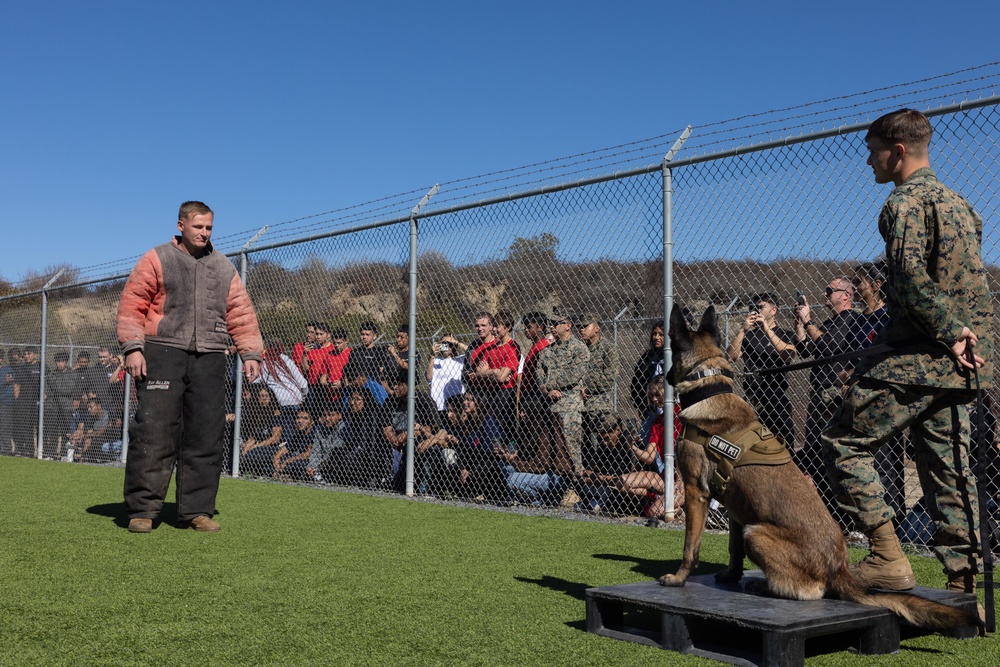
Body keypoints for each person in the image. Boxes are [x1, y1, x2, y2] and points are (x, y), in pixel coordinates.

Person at [822, 109, 993, 603]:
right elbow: (969, 286)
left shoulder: (904, 202)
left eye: (873, 150)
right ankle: (965, 589)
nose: (868, 160)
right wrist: (967, 339)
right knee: (950, 468)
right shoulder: (962, 205)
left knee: (843, 440)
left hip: (922, 357)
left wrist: (948, 329)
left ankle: (887, 558)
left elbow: (911, 279)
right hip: (965, 363)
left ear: (897, 151)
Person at [117, 200, 263, 533]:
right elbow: (132, 305)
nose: (204, 233)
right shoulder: (157, 258)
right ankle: (143, 509)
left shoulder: (224, 266)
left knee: (205, 435)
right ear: (181, 225)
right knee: (154, 431)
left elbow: (240, 312)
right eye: (198, 227)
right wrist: (133, 348)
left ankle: (196, 511)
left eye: (209, 227)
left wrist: (251, 353)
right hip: (161, 352)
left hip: (211, 355)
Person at [794, 276, 857, 521]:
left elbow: (829, 346)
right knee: (813, 450)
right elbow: (807, 350)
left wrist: (809, 321)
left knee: (832, 451)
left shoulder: (850, 320)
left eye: (829, 290)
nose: (824, 294)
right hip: (818, 392)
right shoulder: (831, 322)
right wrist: (801, 323)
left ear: (845, 295)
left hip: (834, 394)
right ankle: (822, 509)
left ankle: (841, 512)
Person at [850, 261, 907, 523]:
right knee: (866, 462)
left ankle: (896, 520)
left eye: (859, 282)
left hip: (888, 400)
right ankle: (871, 520)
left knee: (888, 463)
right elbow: (851, 358)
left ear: (876, 285)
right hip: (860, 398)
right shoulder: (856, 323)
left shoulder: (890, 317)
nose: (855, 287)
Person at [727, 293, 797, 448]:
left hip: (776, 394)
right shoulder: (749, 336)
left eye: (761, 307)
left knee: (783, 442)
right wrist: (743, 330)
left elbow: (789, 355)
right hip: (752, 395)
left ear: (773, 310)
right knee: (750, 444)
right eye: (754, 307)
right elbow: (730, 357)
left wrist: (766, 329)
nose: (756, 310)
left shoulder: (784, 334)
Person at [536, 314, 590, 476]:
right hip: (550, 406)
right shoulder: (548, 352)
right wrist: (546, 389)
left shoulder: (579, 349)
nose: (551, 326)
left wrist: (550, 384)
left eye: (556, 323)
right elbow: (539, 372)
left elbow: (573, 374)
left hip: (569, 407)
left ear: (568, 326)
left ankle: (576, 483)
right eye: (550, 323)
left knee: (571, 447)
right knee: (551, 449)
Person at [576, 313, 619, 455]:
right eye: (579, 327)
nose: (581, 330)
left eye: (585, 326)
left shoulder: (607, 348)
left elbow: (610, 376)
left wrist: (588, 388)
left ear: (596, 329)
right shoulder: (580, 350)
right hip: (580, 403)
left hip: (599, 404)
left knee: (598, 447)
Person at [257, 339, 308, 424]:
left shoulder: (264, 361)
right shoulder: (286, 360)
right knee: (291, 427)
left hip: (277, 400)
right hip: (294, 399)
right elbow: (303, 384)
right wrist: (303, 398)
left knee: (280, 427)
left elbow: (261, 380)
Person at [630, 322, 665, 430]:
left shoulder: (674, 355)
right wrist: (640, 405)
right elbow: (637, 381)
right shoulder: (648, 356)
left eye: (661, 334)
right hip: (650, 407)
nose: (656, 337)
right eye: (654, 334)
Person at [12, 346, 42, 457]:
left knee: (32, 426)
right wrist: (17, 399)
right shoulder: (21, 368)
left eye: (29, 353)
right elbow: (17, 384)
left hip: (36, 402)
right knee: (21, 426)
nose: (26, 356)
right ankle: (21, 449)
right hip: (22, 402)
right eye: (25, 354)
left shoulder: (41, 367)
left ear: (35, 354)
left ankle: (33, 450)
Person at [425, 333, 465, 413]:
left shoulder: (461, 359)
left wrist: (456, 342)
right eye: (444, 343)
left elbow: (474, 352)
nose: (447, 346)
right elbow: (428, 377)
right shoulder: (436, 361)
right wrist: (432, 355)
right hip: (438, 406)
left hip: (457, 406)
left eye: (449, 344)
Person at [0, 350, 14, 454]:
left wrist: (5, 382)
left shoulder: (8, 369)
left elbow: (11, 379)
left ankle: (6, 450)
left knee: (5, 427)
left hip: (5, 403)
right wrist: (3, 382)